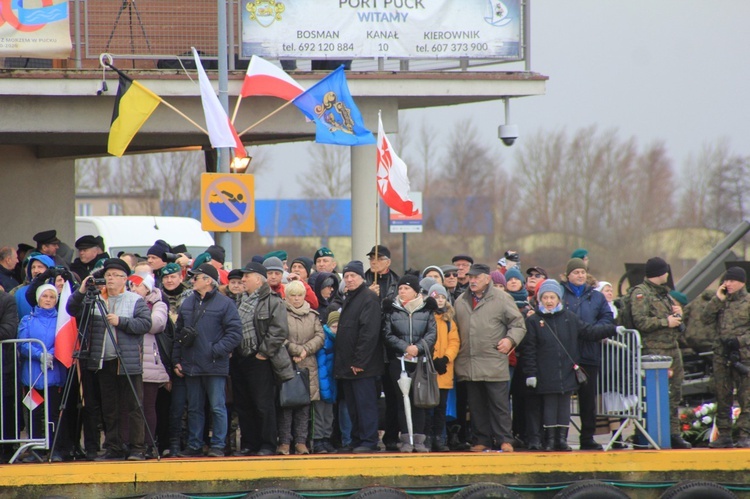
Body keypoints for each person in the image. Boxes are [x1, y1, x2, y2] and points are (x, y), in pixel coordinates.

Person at [66, 258, 152, 460]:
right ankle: (114, 447)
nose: (110, 278)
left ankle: (137, 447)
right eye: (108, 275)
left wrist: (121, 321)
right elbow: (72, 310)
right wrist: (81, 291)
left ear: (124, 279)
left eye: (115, 275)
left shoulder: (134, 300)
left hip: (127, 361)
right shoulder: (95, 299)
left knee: (134, 407)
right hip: (103, 361)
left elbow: (145, 324)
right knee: (109, 408)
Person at [524, 280, 619, 451]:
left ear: (559, 299)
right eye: (545, 297)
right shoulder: (534, 321)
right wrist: (531, 374)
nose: (549, 301)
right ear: (540, 300)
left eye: (552, 297)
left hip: (567, 370)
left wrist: (611, 329)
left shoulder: (569, 318)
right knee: (550, 406)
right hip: (546, 372)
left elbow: (589, 332)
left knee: (564, 406)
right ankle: (550, 440)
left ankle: (562, 439)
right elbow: (529, 350)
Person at [454, 263, 526, 452]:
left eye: (477, 277)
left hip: (494, 360)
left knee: (499, 404)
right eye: (471, 277)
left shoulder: (502, 298)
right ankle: (482, 440)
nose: (473, 280)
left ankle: (505, 439)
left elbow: (518, 324)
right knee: (476, 406)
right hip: (468, 362)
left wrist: (510, 341)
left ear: (488, 279)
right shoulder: (460, 301)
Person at [173, 264, 242, 457]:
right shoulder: (188, 303)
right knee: (194, 408)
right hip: (191, 364)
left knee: (218, 407)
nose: (192, 280)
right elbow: (178, 334)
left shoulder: (225, 303)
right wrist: (177, 359)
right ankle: (195, 445)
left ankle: (218, 445)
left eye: (196, 277)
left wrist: (215, 351)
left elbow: (235, 334)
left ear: (208, 281)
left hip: (214, 365)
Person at [630, 256, 692, 449]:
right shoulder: (642, 294)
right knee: (654, 395)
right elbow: (640, 321)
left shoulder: (665, 294)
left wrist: (678, 316)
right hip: (654, 352)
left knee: (675, 393)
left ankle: (673, 433)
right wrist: (667, 321)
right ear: (661, 273)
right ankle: (648, 433)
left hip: (672, 348)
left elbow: (675, 320)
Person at [233, 262, 294, 456]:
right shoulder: (238, 300)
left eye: (246, 276)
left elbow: (279, 330)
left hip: (260, 359)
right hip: (239, 358)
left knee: (263, 404)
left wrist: (263, 353)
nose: (242, 280)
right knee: (244, 404)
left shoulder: (272, 300)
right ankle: (249, 443)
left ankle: (267, 444)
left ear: (258, 279)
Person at [560, 257, 614, 451]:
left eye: (582, 272)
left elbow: (608, 320)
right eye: (576, 272)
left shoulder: (596, 297)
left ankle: (587, 437)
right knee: (562, 397)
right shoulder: (560, 293)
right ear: (568, 276)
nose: (580, 275)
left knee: (588, 399)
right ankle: (560, 437)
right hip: (564, 353)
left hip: (589, 353)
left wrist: (592, 331)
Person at [382, 274, 437, 453]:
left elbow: (431, 334)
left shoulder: (426, 310)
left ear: (415, 291)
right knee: (401, 401)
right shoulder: (392, 310)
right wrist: (405, 347)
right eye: (400, 289)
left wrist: (418, 348)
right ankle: (406, 438)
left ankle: (419, 439)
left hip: (419, 362)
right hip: (399, 362)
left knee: (419, 401)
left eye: (406, 288)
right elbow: (388, 334)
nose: (402, 291)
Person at [17, 284, 70, 462]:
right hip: (32, 376)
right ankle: (35, 450)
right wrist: (40, 354)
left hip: (54, 375)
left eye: (52, 297)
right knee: (33, 411)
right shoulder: (27, 320)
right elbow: (22, 343)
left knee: (53, 412)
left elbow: (65, 339)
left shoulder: (61, 320)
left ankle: (54, 448)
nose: (48, 300)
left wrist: (53, 354)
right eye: (44, 296)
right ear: (38, 299)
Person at [335, 261, 383, 453]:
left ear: (362, 277)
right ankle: (356, 440)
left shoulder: (368, 298)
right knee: (353, 407)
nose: (349, 279)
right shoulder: (350, 297)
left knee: (365, 405)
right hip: (348, 365)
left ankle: (369, 441)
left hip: (363, 366)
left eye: (353, 276)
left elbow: (369, 333)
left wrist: (359, 361)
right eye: (346, 276)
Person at [702, 267, 750, 448]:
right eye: (726, 281)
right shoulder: (721, 301)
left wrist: (739, 341)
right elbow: (705, 319)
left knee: (746, 397)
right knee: (722, 396)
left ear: (741, 282)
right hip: (721, 356)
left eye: (731, 281)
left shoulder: (748, 302)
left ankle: (745, 434)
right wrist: (717, 299)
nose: (727, 284)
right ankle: (725, 434)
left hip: (743, 357)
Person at [278, 280, 324, 455]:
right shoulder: (281, 314)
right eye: (293, 295)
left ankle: (301, 442)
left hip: (307, 365)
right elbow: (278, 334)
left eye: (299, 295)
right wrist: (296, 350)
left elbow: (320, 336)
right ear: (286, 296)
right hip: (286, 363)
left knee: (304, 407)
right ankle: (284, 442)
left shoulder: (313, 315)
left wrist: (305, 351)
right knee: (286, 405)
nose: (296, 299)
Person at [127, 273, 169, 458]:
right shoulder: (127, 301)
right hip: (130, 359)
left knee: (148, 406)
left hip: (151, 362)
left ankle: (150, 444)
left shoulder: (158, 304)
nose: (133, 289)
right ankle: (132, 443)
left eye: (137, 286)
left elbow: (155, 324)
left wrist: (132, 321)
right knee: (131, 406)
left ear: (147, 288)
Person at [426, 284, 460, 452]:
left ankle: (439, 438)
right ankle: (427, 437)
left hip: (444, 370)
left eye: (442, 297)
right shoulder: (426, 317)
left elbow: (454, 342)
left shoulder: (449, 321)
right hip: (428, 370)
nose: (439, 300)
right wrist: (432, 360)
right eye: (436, 297)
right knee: (426, 406)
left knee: (440, 408)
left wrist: (446, 358)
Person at [313, 311, 339, 454]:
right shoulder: (324, 340)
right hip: (323, 384)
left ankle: (326, 438)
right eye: (334, 326)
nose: (336, 329)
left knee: (328, 414)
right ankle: (318, 440)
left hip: (331, 383)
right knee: (319, 413)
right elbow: (321, 367)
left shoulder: (336, 340)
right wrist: (324, 388)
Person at [0, 287, 19, 463]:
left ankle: (6, 450)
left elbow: (8, 330)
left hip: (2, 365)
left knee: (4, 408)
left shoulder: (6, 300)